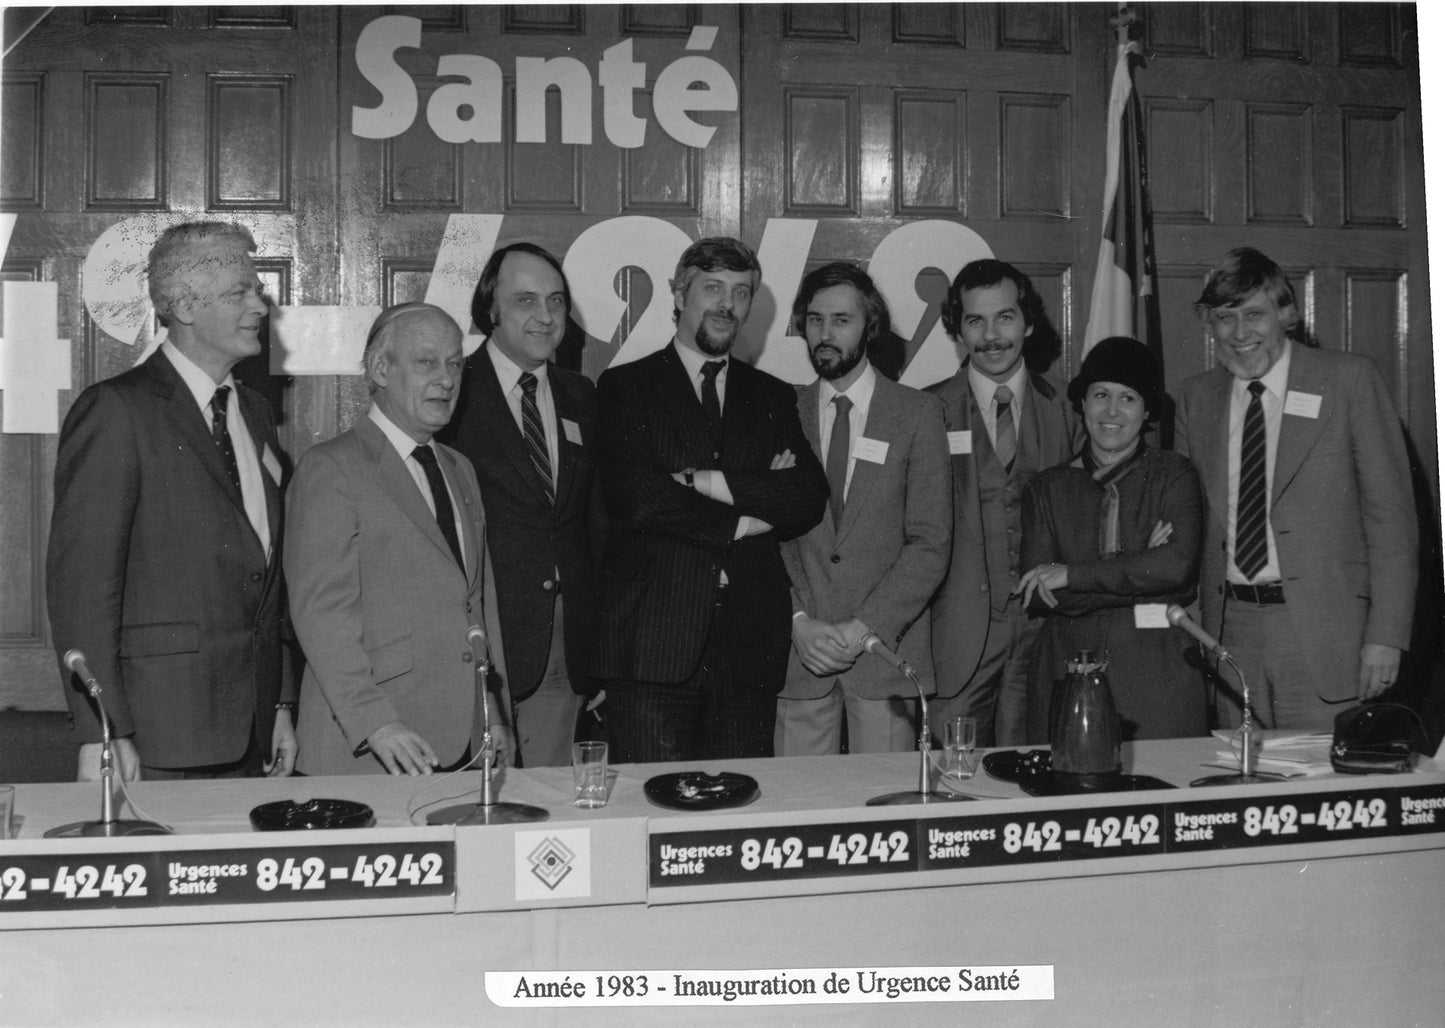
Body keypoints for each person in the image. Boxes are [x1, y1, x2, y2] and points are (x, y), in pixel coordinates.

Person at [46, 221, 297, 780]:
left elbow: (268, 577)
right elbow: (84, 587)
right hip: (156, 735)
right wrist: (103, 731)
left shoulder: (254, 412)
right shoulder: (116, 411)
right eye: (241, 292)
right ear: (183, 305)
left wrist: (279, 701)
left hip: (250, 727)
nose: (261, 306)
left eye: (256, 290)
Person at [591, 237, 829, 762]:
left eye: (741, 293)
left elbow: (806, 496)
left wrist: (703, 482)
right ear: (679, 294)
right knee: (650, 813)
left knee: (741, 814)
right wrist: (746, 521)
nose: (727, 304)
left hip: (748, 649)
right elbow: (642, 498)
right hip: (653, 648)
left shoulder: (772, 396)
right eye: (713, 288)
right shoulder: (624, 388)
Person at [1174, 247, 1417, 731]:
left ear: (1287, 314)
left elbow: (1392, 520)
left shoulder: (1349, 380)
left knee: (1327, 795)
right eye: (1225, 318)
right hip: (1230, 633)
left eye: (1254, 314)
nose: (1239, 333)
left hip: (1327, 634)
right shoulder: (1196, 398)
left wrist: (1387, 636)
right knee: (1237, 791)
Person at [286, 303, 511, 775]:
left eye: (454, 364)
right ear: (380, 369)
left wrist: (494, 715)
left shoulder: (459, 468)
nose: (447, 380)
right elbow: (321, 615)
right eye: (427, 362)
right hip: (374, 745)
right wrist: (376, 723)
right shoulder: (331, 468)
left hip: (466, 741)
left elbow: (478, 603)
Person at [777, 263, 952, 755]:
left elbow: (930, 543)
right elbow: (766, 540)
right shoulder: (780, 411)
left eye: (841, 320)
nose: (825, 334)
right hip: (801, 658)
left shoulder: (918, 414)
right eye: (814, 320)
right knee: (801, 812)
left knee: (886, 806)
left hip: (884, 656)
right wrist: (797, 622)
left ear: (869, 326)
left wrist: (864, 627)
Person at [447, 243, 598, 768]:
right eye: (526, 301)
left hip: (561, 645)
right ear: (491, 309)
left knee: (548, 813)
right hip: (479, 641)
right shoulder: (452, 392)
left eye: (556, 302)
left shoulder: (582, 396)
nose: (545, 317)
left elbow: (591, 524)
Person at [925, 258, 1083, 746]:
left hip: (1045, 631)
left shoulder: (1068, 406)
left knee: (1031, 770)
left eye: (1005, 317)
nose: (991, 335)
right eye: (975, 320)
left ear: (1028, 321)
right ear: (957, 330)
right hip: (956, 637)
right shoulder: (925, 411)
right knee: (954, 775)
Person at [1017, 336, 1205, 741]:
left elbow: (1177, 568)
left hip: (1157, 674)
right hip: (1065, 671)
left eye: (1129, 398)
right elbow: (1037, 592)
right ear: (1082, 402)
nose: (1112, 411)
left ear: (1147, 409)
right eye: (1100, 394)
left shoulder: (1174, 473)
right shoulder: (1047, 487)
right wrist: (1143, 568)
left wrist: (1070, 573)